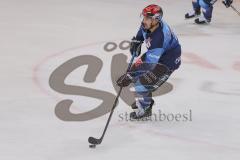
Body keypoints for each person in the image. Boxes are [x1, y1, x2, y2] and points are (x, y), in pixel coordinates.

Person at [116, 4, 181, 120]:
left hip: (167, 62)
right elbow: (142, 32)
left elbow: (150, 64)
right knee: (135, 73)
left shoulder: (159, 37)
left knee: (141, 85)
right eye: (144, 17)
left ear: (156, 19)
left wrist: (130, 76)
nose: (144, 20)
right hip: (155, 55)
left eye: (147, 18)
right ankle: (146, 100)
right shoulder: (148, 25)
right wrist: (137, 40)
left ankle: (146, 107)